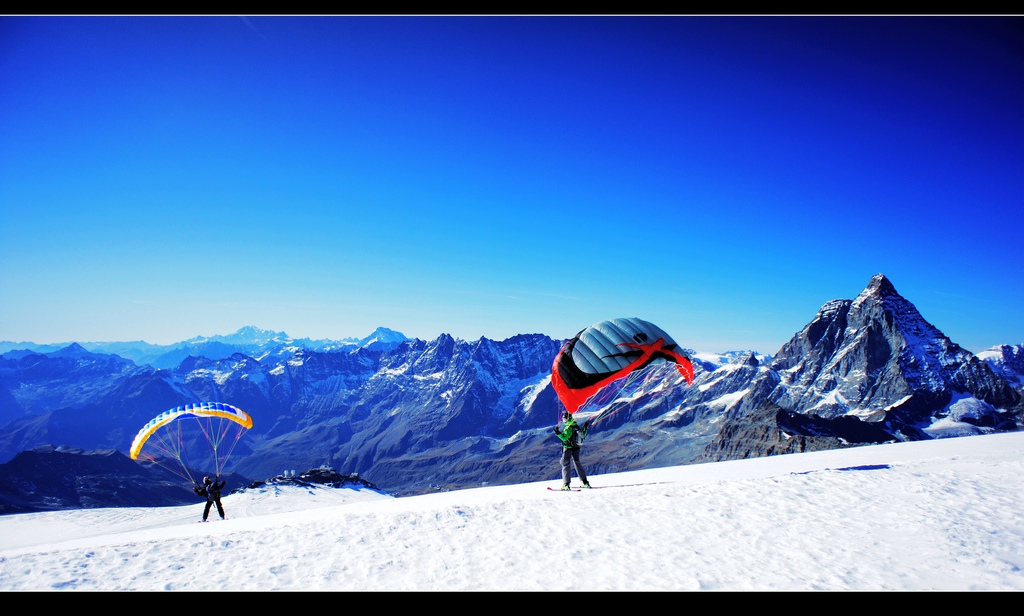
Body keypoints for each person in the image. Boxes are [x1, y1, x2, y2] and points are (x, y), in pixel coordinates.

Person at [553, 411, 591, 490]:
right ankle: (584, 482)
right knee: (577, 462)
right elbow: (583, 435)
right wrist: (585, 428)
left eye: (565, 416)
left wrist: (557, 433)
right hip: (576, 448)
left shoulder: (569, 427)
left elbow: (565, 437)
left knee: (565, 463)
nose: (563, 417)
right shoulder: (575, 425)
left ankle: (566, 484)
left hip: (568, 448)